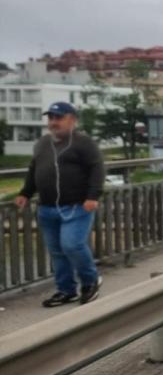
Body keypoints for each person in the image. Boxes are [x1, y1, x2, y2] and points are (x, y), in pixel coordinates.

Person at [16, 102, 105, 307]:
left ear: (72, 120)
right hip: (47, 208)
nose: (53, 122)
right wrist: (25, 193)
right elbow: (34, 169)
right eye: (51, 118)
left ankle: (90, 281)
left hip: (76, 207)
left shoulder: (84, 143)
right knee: (56, 252)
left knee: (72, 245)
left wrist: (93, 196)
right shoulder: (42, 143)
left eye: (59, 117)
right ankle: (66, 290)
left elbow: (97, 169)